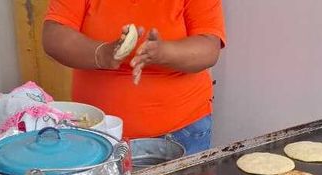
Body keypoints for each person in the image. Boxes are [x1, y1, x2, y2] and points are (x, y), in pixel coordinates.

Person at [43, 0, 226, 155]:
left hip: (182, 132)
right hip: (97, 132)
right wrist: (102, 54)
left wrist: (163, 53)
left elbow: (208, 49)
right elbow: (54, 35)